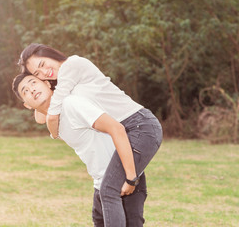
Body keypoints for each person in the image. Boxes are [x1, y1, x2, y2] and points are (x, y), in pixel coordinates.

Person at [18, 43, 163, 226]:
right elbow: (41, 116)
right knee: (111, 195)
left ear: (51, 54)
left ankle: (134, 179)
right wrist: (37, 86)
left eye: (43, 64)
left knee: (109, 190)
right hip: (127, 129)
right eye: (37, 73)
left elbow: (51, 115)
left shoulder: (72, 65)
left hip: (140, 125)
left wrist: (54, 133)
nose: (44, 71)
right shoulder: (62, 82)